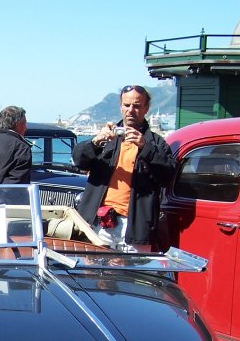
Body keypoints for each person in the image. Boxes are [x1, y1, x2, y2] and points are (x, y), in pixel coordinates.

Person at [71, 85, 176, 252]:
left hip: (136, 226)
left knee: (136, 269)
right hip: (99, 223)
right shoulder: (107, 138)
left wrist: (145, 147)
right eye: (127, 105)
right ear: (121, 106)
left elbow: (168, 175)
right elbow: (78, 160)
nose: (131, 110)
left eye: (136, 106)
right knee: (92, 268)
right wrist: (95, 141)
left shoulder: (156, 144)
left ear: (146, 108)